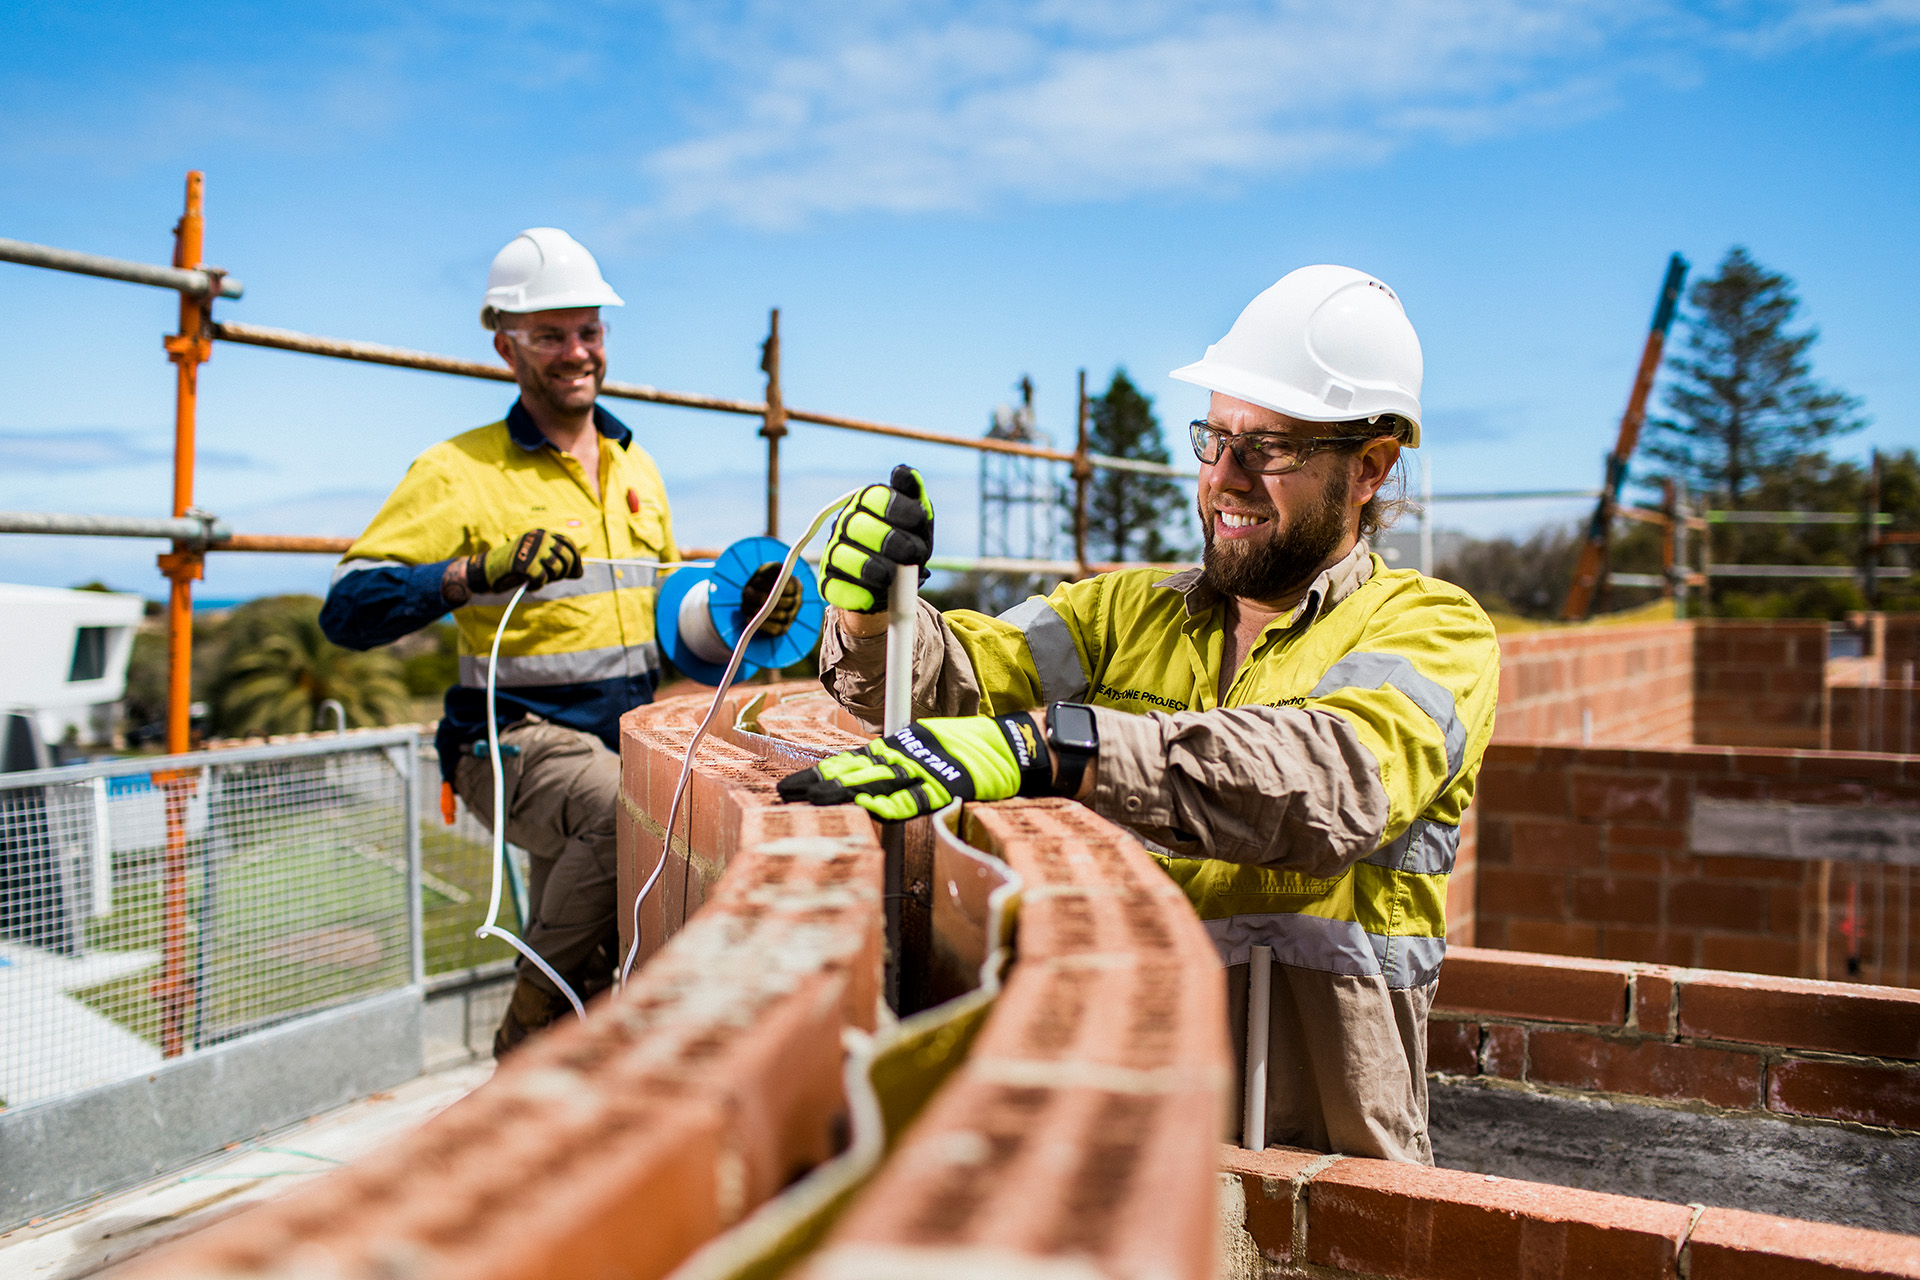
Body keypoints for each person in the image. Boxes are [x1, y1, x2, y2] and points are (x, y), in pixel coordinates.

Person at [779, 265, 1499, 1163]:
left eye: (1269, 448)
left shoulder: (1434, 629)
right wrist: (874, 612)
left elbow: (1334, 779)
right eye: (1214, 438)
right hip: (1121, 1131)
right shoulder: (1125, 614)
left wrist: (1059, 749)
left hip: (1323, 1164)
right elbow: (954, 678)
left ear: (1371, 467)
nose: (1225, 479)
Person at [321, 228, 694, 1054]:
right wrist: (470, 573)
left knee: (605, 965)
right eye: (551, 334)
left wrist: (744, 613)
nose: (576, 352)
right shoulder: (458, 471)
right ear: (506, 346)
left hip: (614, 741)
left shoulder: (639, 469)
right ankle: (522, 1033)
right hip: (511, 743)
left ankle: (555, 1099)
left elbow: (677, 626)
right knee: (632, 809)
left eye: (589, 331)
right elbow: (347, 612)